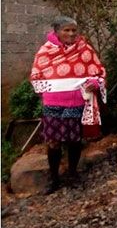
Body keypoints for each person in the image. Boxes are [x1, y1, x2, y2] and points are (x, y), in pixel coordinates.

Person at [30, 16, 107, 194]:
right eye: (67, 30)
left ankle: (72, 174)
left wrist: (95, 83)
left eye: (74, 30)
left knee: (73, 140)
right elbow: (36, 75)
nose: (71, 33)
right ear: (56, 31)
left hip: (76, 102)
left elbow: (99, 71)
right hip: (53, 103)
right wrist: (50, 89)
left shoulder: (84, 49)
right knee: (53, 141)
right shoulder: (45, 51)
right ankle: (54, 178)